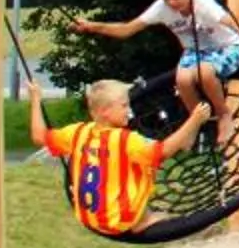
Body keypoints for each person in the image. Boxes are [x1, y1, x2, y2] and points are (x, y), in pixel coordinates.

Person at [71, 0, 239, 144]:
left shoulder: (202, 1)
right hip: (195, 51)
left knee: (204, 71)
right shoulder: (162, 8)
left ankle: (223, 113)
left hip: (225, 47)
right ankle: (195, 121)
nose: (171, 3)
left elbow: (226, 19)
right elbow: (127, 29)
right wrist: (93, 26)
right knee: (182, 79)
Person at [32, 79, 214, 238]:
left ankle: (184, 141)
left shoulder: (78, 132)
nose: (129, 110)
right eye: (124, 106)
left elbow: (39, 136)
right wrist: (194, 120)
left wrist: (35, 99)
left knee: (134, 158)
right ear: (105, 111)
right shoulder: (125, 140)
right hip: (121, 221)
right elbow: (162, 153)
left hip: (89, 218)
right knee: (148, 161)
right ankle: (145, 220)